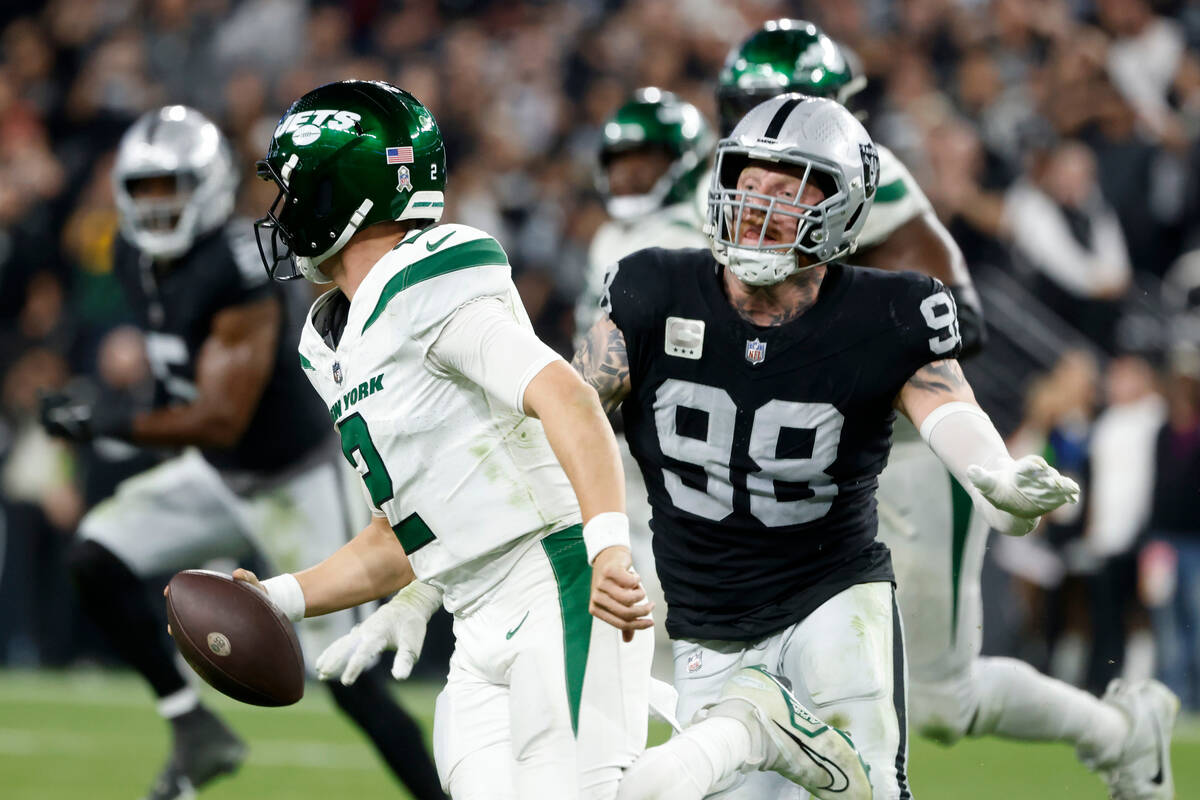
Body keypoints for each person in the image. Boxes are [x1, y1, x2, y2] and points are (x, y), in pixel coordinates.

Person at [242, 79, 872, 800]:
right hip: (475, 620)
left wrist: (606, 547)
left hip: (558, 580)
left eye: (296, 192)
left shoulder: (424, 281)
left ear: (336, 195)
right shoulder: (328, 343)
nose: (283, 214)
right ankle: (739, 730)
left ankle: (750, 729)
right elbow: (401, 534)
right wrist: (278, 600)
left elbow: (569, 399)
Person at [712, 19, 1178, 799]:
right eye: (755, 111)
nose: (773, 142)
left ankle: (1125, 735)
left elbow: (961, 315)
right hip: (808, 457)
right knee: (775, 662)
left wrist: (842, 317)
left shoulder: (874, 180)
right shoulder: (730, 185)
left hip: (909, 455)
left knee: (939, 699)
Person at [573, 93, 1083, 800]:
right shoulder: (652, 285)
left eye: (786, 191)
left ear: (841, 207)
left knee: (873, 793)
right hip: (706, 617)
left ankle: (767, 726)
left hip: (831, 599)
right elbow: (568, 411)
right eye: (747, 185)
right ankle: (761, 723)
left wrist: (990, 471)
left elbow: (946, 403)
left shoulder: (891, 309)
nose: (757, 204)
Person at [38, 106, 445, 800]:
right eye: (144, 189)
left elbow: (223, 418)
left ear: (207, 183)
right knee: (93, 558)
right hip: (218, 476)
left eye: (170, 185)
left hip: (293, 479)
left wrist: (108, 421)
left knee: (346, 678)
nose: (157, 203)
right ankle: (193, 727)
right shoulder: (133, 256)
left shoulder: (236, 266)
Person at [577, 87, 714, 678]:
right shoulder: (608, 238)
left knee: (666, 604)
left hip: (685, 436)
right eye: (620, 161)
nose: (630, 175)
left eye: (647, 160)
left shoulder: (695, 231)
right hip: (625, 433)